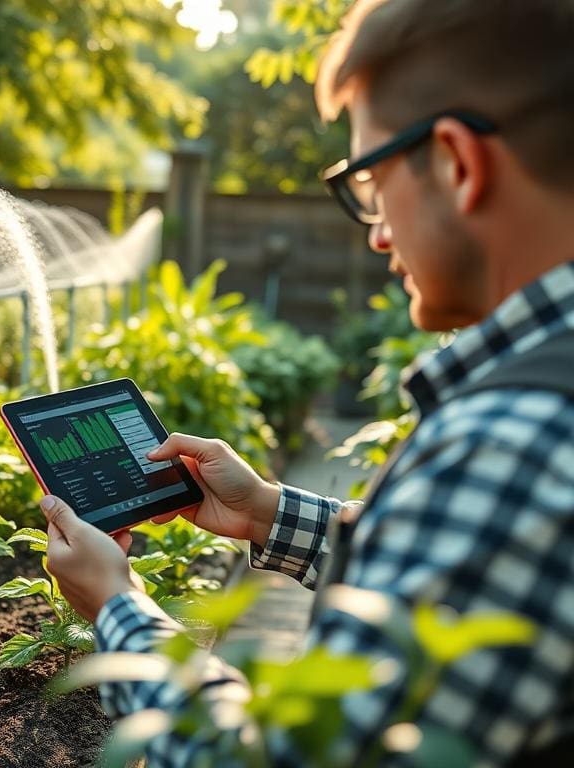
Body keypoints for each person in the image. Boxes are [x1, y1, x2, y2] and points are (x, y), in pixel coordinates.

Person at [40, 0, 574, 765]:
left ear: (458, 163)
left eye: (368, 183)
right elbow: (475, 578)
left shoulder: (509, 447)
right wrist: (268, 512)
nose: (379, 231)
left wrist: (117, 608)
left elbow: (282, 757)